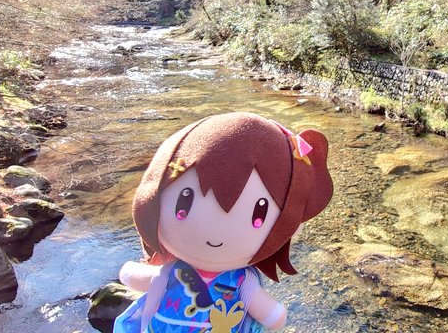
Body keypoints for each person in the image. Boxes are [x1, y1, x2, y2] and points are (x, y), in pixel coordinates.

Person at [113, 112, 334, 333]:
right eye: (183, 204)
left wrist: (129, 273)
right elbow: (274, 317)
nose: (214, 234)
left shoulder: (239, 282)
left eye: (258, 216)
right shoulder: (179, 272)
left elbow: (130, 276)